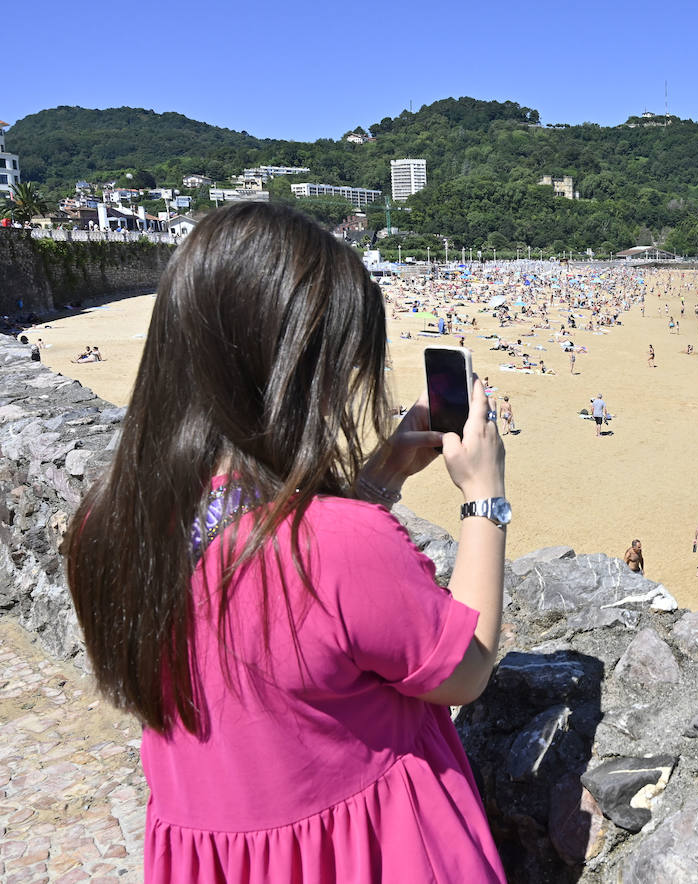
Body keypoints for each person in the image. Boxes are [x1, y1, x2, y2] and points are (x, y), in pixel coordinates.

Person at [62, 203, 507, 880]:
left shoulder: (108, 523)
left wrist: (376, 480)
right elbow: (466, 672)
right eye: (338, 368)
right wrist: (484, 499)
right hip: (370, 853)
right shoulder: (340, 544)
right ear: (293, 376)